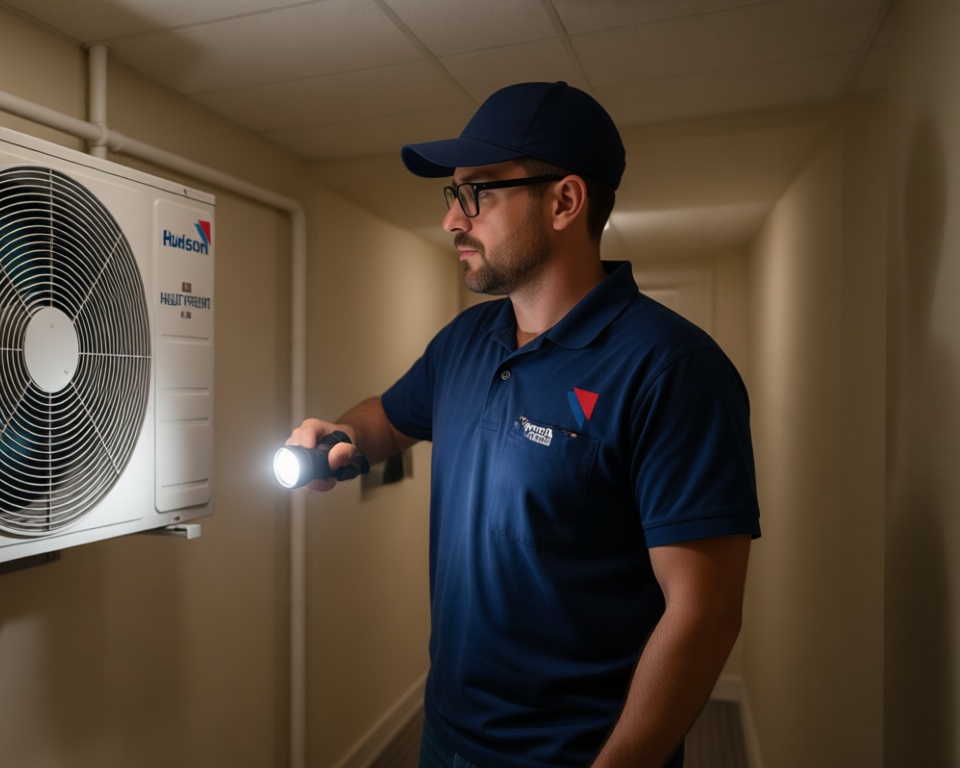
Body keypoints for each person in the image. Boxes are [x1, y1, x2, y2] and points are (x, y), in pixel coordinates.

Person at [285, 81, 760, 768]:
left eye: (478, 192)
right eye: (452, 195)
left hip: (575, 754)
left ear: (565, 201)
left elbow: (705, 617)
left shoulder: (672, 369)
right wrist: (344, 439)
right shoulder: (465, 342)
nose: (453, 219)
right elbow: (387, 420)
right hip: (446, 735)